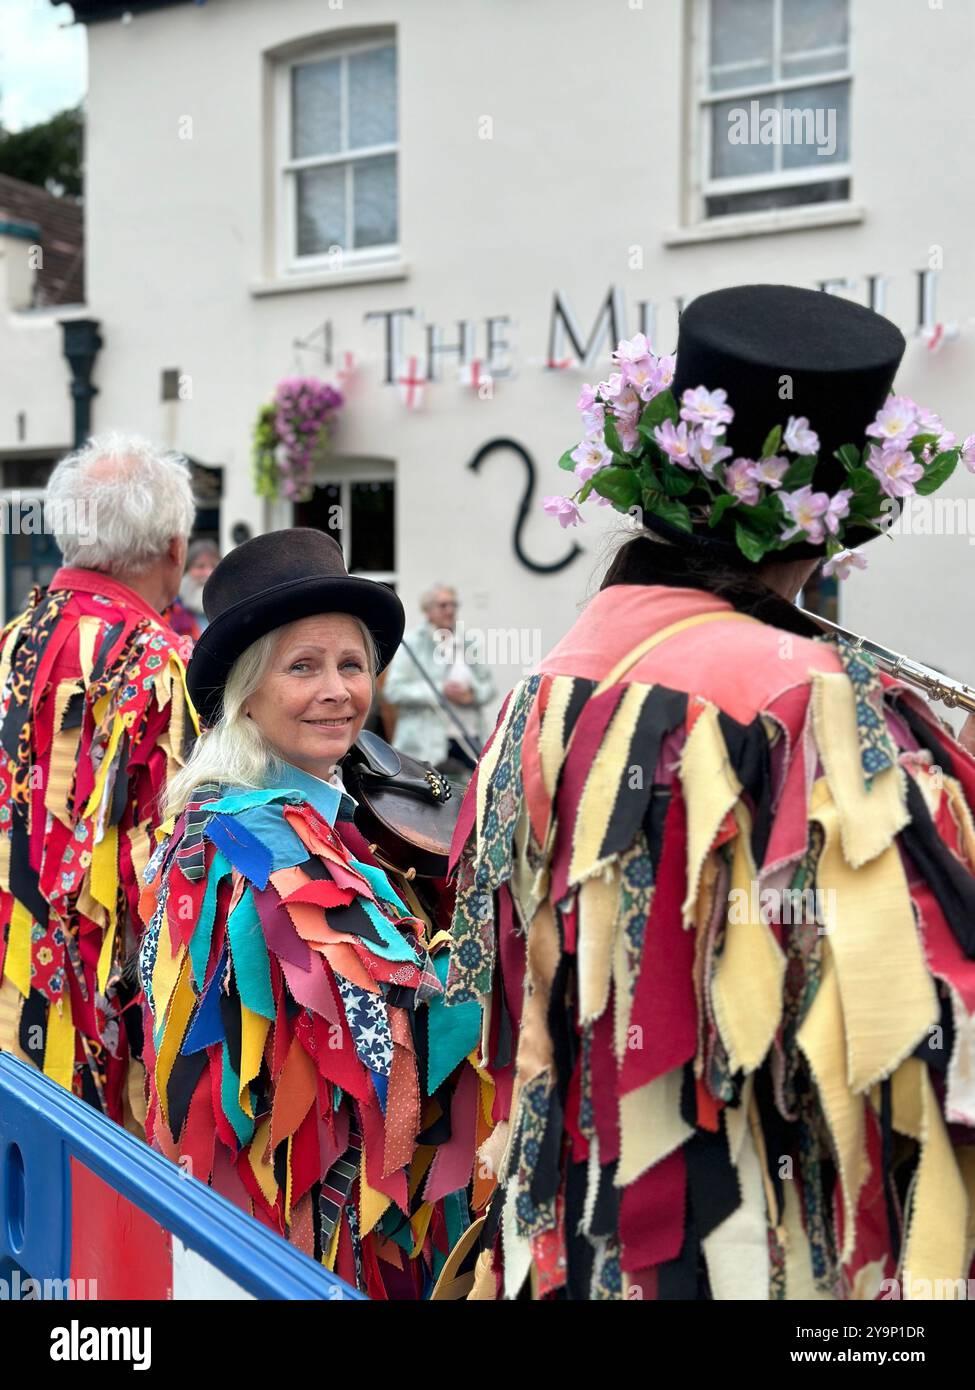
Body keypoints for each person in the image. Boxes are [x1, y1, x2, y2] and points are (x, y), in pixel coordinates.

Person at [446, 285, 975, 1301]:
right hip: (759, 1248)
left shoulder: (538, 689)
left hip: (563, 1233)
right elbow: (928, 1028)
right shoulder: (818, 706)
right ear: (827, 533)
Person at [139, 530, 487, 1298]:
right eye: (302, 667)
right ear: (247, 692)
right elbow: (400, 1027)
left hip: (243, 1220)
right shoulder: (265, 831)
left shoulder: (225, 808)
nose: (337, 691)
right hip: (302, 1234)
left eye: (351, 665)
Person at [0, 433, 197, 1131]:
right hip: (104, 1027)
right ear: (175, 547)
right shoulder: (166, 669)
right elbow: (180, 862)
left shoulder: (9, 644)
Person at [382, 584, 495, 784]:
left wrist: (472, 694)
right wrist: (440, 691)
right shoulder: (413, 643)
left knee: (473, 801)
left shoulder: (467, 643)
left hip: (469, 739)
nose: (450, 610)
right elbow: (393, 691)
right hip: (426, 746)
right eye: (443, 605)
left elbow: (489, 687)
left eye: (453, 605)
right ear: (428, 611)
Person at [168, 537, 220, 651]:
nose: (208, 573)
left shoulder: (229, 607)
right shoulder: (171, 610)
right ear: (187, 570)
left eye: (214, 566)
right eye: (200, 566)